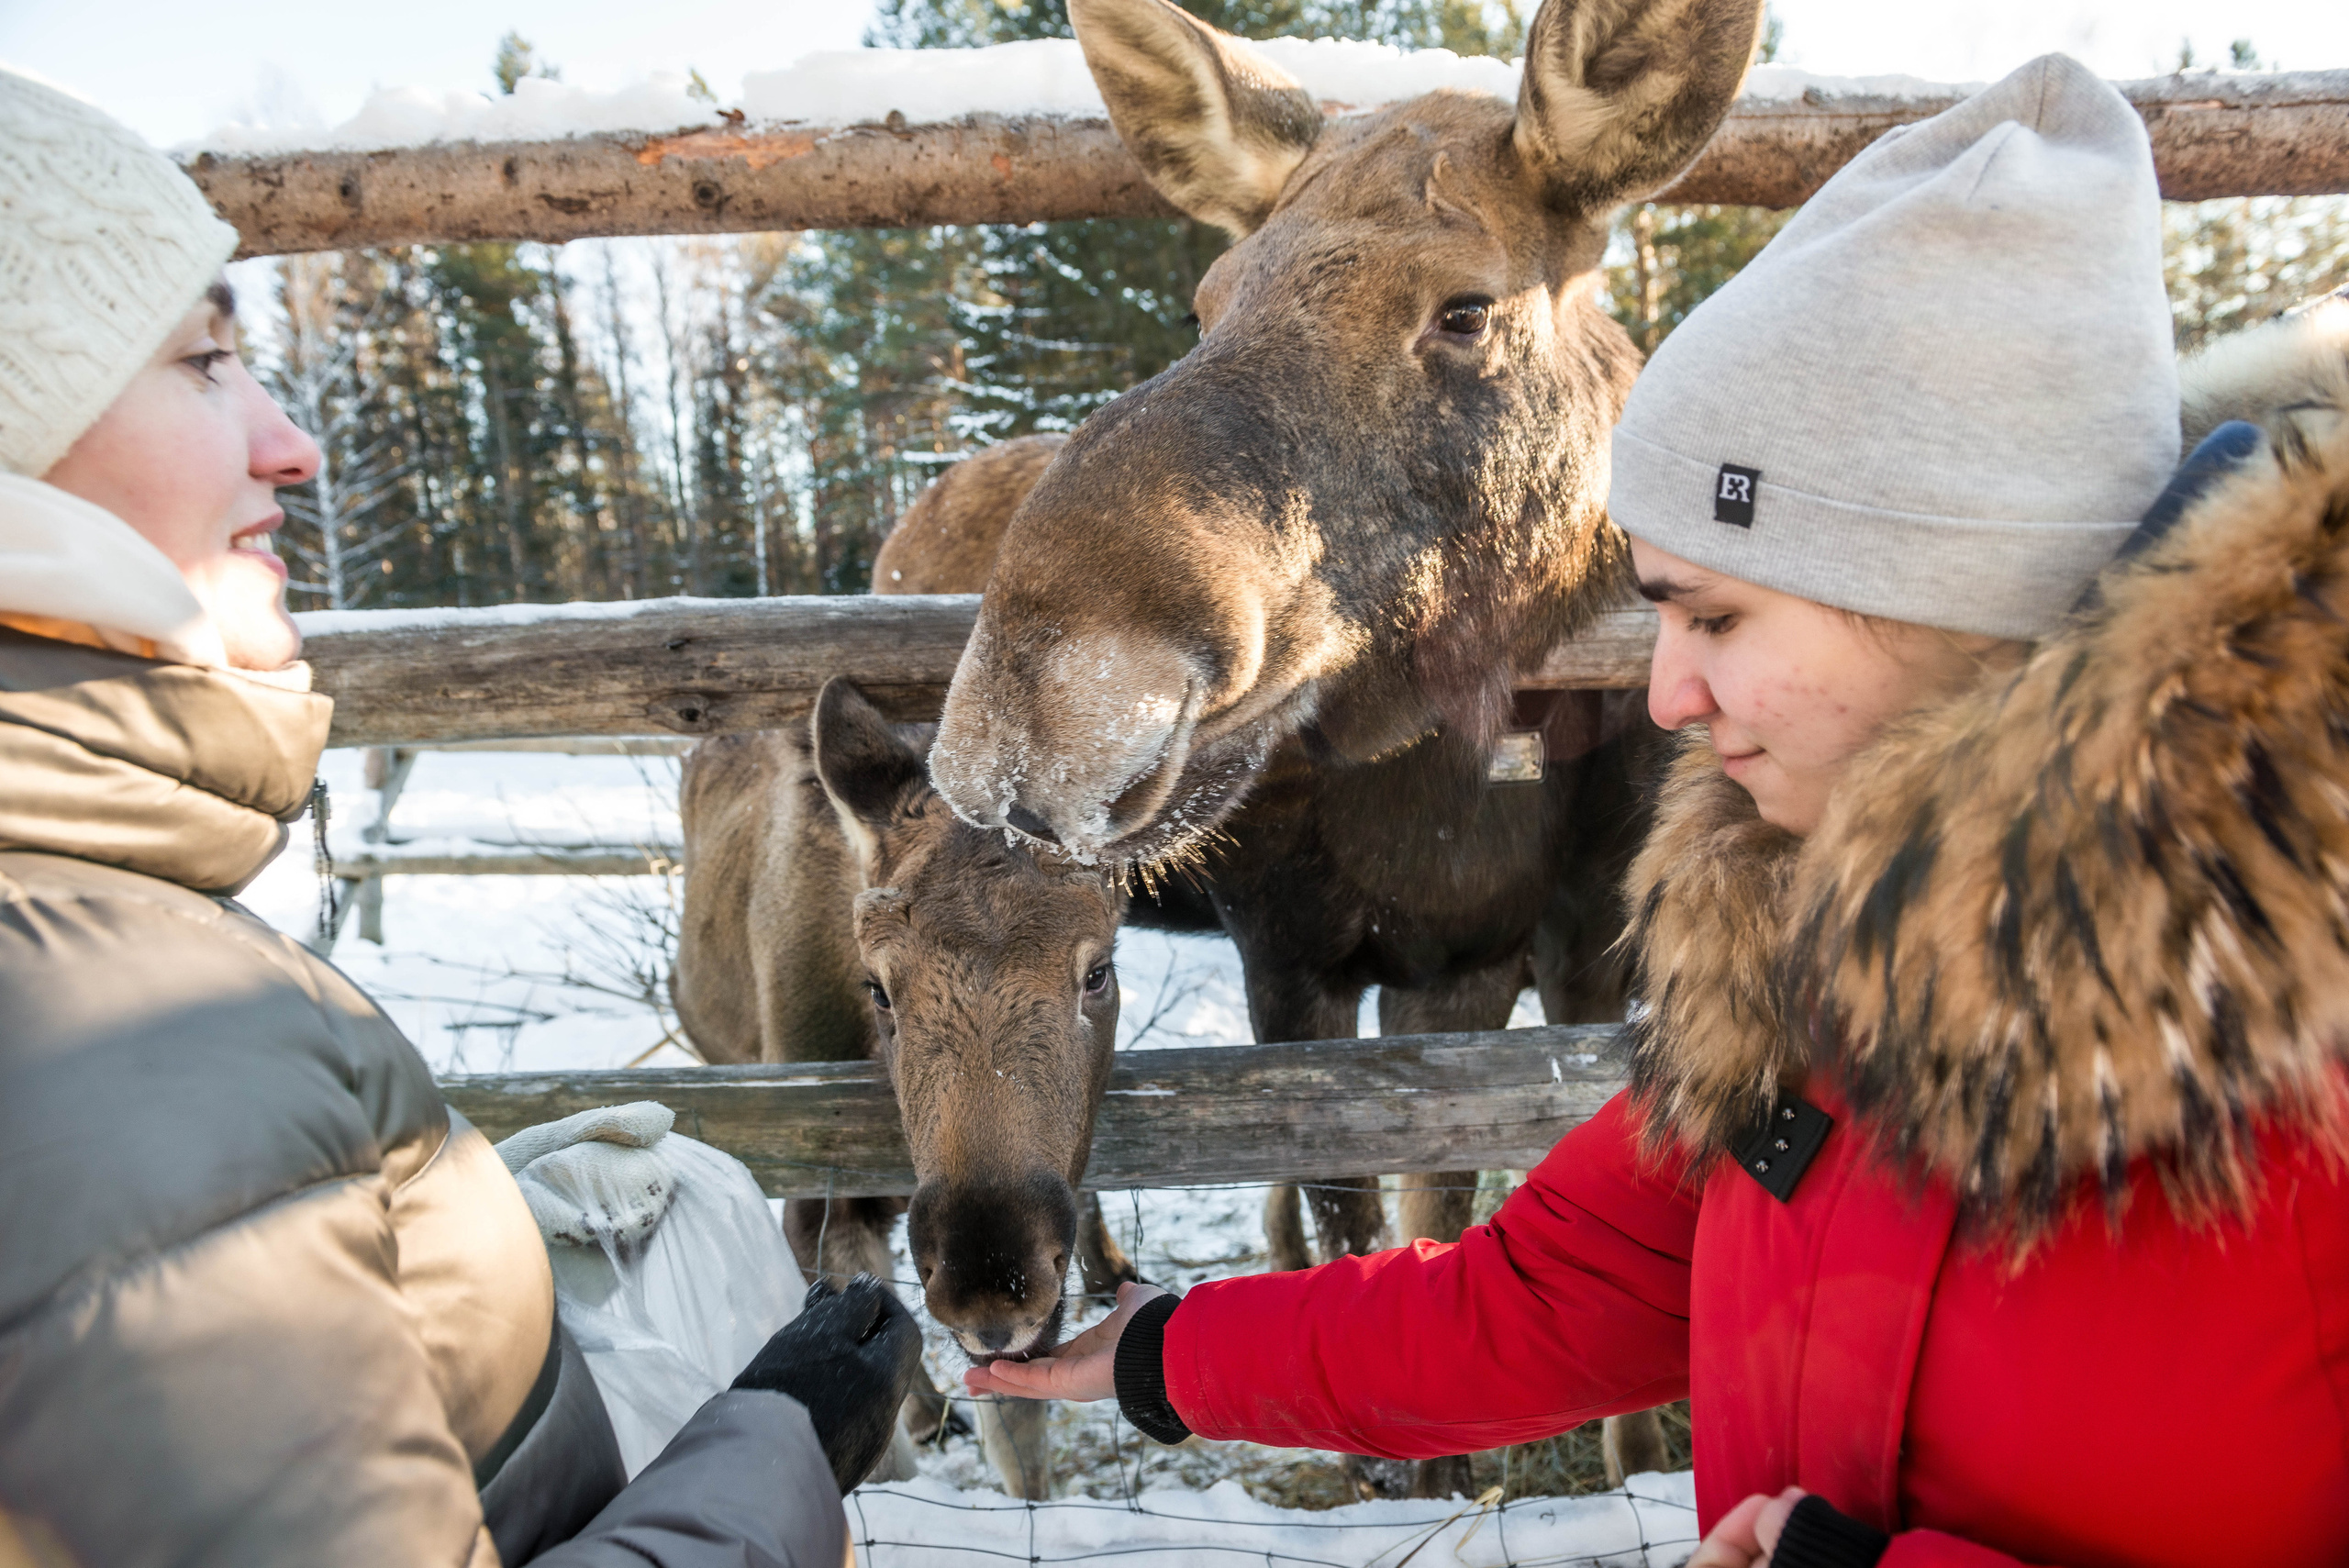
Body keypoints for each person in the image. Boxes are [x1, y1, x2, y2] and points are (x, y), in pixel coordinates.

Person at [966, 55, 2349, 1568]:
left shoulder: (2309, 1089)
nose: (1671, 697)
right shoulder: (1800, 964)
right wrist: (1166, 1354)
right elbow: (1538, 1300)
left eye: (1723, 621)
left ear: (1953, 597)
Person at [0, 66, 920, 1566]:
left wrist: (449, 1214)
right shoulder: (104, 1035)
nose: (291, 441)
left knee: (685, 1188)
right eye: (203, 362)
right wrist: (782, 1447)